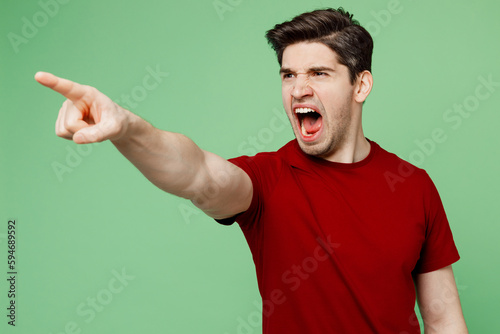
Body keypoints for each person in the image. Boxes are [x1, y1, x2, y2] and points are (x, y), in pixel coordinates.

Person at [35, 7, 468, 334]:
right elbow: (198, 173)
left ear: (361, 84)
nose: (299, 88)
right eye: (288, 75)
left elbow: (443, 315)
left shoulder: (414, 186)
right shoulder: (267, 179)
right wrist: (128, 128)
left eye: (319, 72)